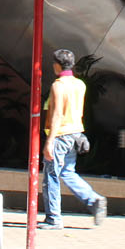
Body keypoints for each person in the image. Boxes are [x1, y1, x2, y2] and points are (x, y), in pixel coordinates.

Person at [38, 49, 106, 230]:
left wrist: (49, 141)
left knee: (51, 176)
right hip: (75, 134)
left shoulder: (58, 86)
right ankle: (94, 200)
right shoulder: (80, 85)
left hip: (60, 136)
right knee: (67, 172)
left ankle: (53, 219)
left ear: (57, 65)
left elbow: (58, 113)